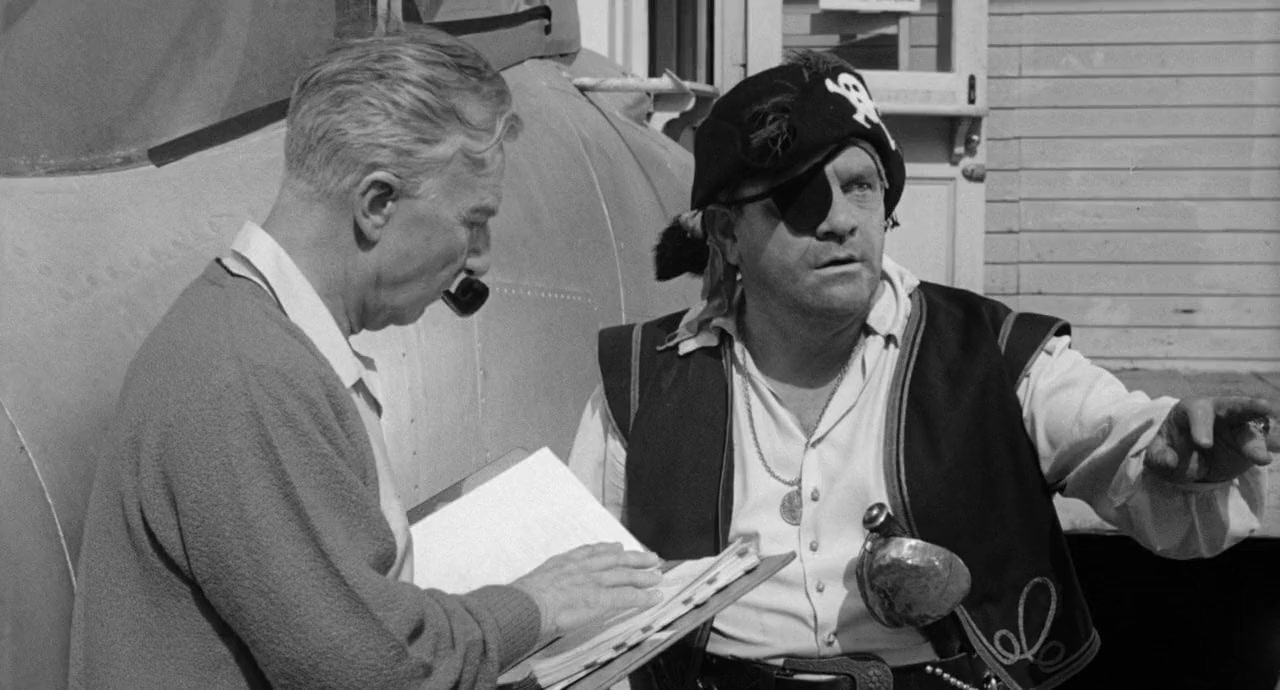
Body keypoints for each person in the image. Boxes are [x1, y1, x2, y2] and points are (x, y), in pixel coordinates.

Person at [567, 50, 1276, 690]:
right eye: (800, 195)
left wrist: (1182, 460)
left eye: (862, 186)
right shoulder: (643, 382)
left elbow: (1120, 440)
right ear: (726, 233)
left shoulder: (992, 353)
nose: (841, 220)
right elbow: (585, 604)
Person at [69, 28, 661, 689]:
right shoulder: (249, 376)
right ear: (378, 204)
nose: (482, 257)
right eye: (472, 221)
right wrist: (535, 605)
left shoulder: (255, 343)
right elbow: (372, 670)